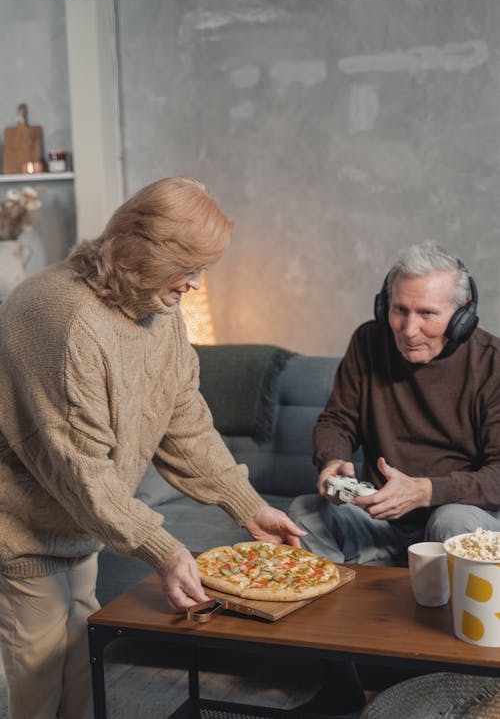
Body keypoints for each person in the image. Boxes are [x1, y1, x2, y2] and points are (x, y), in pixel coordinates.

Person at [0, 176, 306, 719]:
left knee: (80, 658)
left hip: (83, 522)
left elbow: (182, 416)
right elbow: (81, 472)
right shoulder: (64, 318)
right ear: (145, 253)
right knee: (40, 669)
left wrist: (247, 504)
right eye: (189, 269)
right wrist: (162, 549)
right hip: (25, 526)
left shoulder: (157, 308)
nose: (195, 283)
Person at [290, 239, 500, 565]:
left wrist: (426, 491)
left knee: (451, 521)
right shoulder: (369, 341)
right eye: (399, 310)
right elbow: (337, 420)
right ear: (383, 305)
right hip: (379, 520)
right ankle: (337, 607)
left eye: (427, 313)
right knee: (306, 513)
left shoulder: (492, 364)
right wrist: (333, 461)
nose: (409, 329)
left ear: (463, 316)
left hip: (456, 523)